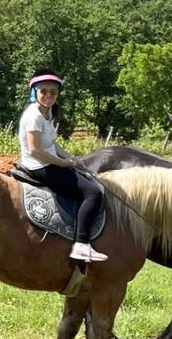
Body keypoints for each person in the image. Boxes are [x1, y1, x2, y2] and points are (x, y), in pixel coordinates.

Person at [17, 69, 107, 265]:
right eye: (44, 92)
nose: (49, 96)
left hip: (48, 162)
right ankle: (81, 244)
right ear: (35, 92)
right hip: (39, 166)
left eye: (53, 92)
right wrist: (64, 164)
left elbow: (52, 144)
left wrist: (73, 159)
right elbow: (35, 150)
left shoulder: (46, 113)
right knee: (93, 192)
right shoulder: (34, 116)